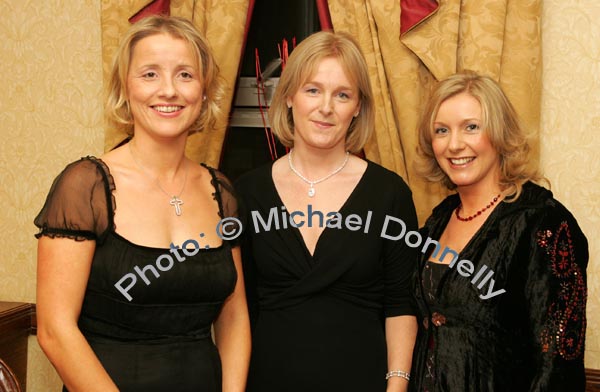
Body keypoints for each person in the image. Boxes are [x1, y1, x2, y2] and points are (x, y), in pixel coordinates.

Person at [34, 15, 250, 392]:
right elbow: (55, 330)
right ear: (125, 87)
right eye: (150, 74)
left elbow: (233, 319)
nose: (168, 90)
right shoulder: (85, 186)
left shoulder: (221, 191)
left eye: (185, 74)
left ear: (203, 91)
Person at [235, 31, 419, 392]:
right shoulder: (246, 193)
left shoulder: (389, 194)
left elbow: (401, 306)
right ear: (288, 96)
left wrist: (396, 387)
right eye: (312, 90)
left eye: (342, 95)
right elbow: (238, 313)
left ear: (358, 107)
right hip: (267, 380)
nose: (326, 107)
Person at [410, 70, 588, 391]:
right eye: (441, 130)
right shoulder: (439, 219)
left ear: (499, 133)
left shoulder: (542, 222)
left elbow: (558, 366)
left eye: (471, 127)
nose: (454, 144)